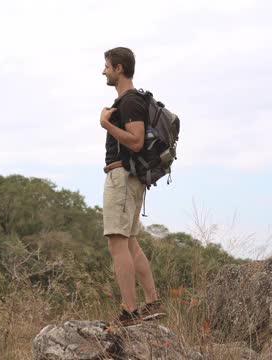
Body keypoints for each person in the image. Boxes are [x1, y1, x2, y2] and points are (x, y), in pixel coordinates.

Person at [100, 47, 165, 326]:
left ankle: (129, 310)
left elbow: (136, 141)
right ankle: (152, 303)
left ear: (119, 68)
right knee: (130, 243)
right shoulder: (132, 101)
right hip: (132, 179)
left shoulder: (128, 102)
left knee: (117, 243)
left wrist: (106, 124)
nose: (103, 71)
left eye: (106, 66)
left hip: (122, 179)